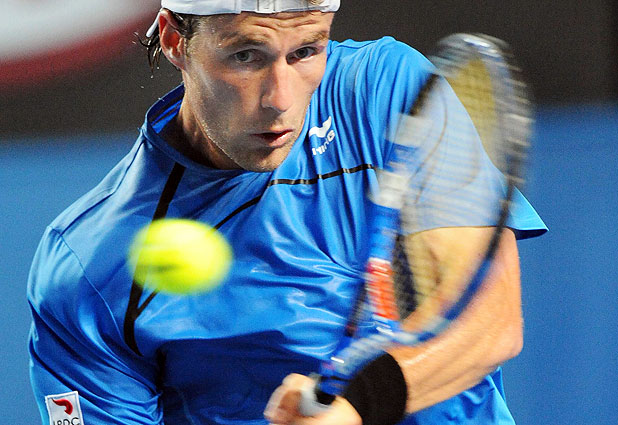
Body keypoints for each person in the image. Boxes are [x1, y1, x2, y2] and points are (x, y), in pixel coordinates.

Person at [27, 1, 546, 424]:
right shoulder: (88, 268)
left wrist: (357, 407)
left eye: (305, 51)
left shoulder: (385, 90)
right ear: (174, 40)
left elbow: (488, 321)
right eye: (246, 56)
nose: (280, 98)